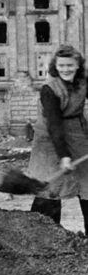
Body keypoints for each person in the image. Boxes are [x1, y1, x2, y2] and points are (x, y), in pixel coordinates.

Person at [28, 45, 88, 235]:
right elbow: (54, 124)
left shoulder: (83, 82)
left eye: (70, 65)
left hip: (78, 134)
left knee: (87, 184)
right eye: (61, 66)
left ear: (78, 65)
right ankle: (45, 239)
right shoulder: (50, 89)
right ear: (56, 66)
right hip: (49, 139)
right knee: (50, 190)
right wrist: (63, 156)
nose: (66, 69)